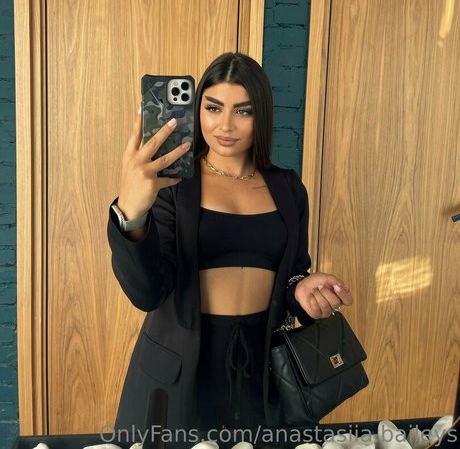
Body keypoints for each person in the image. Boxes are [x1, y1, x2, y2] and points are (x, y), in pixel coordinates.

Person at [107, 52, 352, 438]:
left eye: (243, 111)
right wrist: (132, 213)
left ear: (261, 116)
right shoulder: (171, 186)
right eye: (213, 107)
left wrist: (302, 290)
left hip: (262, 371)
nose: (225, 125)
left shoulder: (289, 188)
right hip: (180, 370)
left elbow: (292, 275)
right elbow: (146, 292)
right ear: (197, 109)